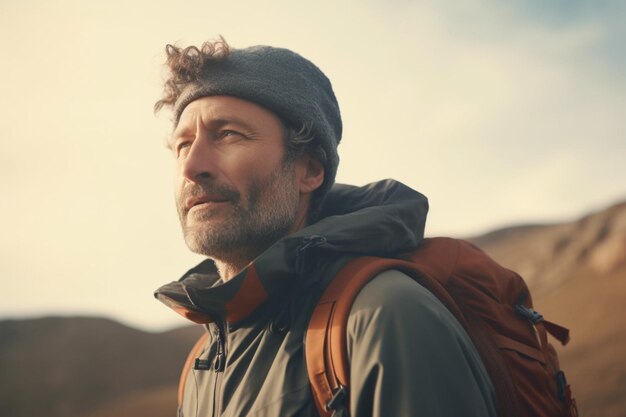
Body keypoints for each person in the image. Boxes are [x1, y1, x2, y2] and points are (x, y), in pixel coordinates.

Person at [154, 38, 497, 417]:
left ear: (310, 170)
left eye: (228, 134)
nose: (191, 166)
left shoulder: (384, 316)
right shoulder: (201, 365)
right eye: (183, 145)